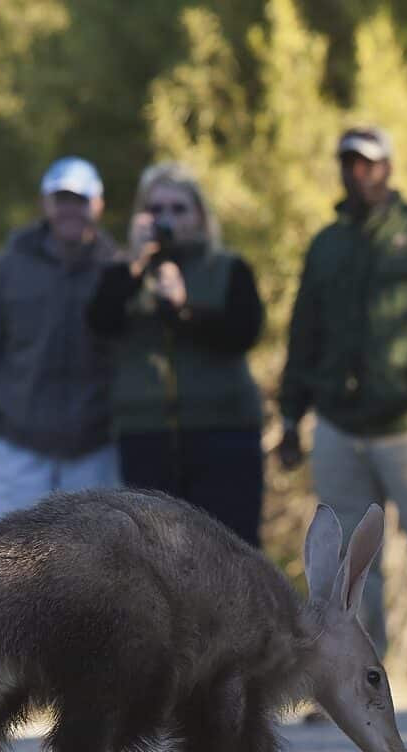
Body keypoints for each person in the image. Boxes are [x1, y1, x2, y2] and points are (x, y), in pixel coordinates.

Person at [276, 125, 407, 715]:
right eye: (349, 163)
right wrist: (291, 416)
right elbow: (303, 334)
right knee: (342, 566)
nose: (359, 173)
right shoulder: (327, 245)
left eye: (369, 163)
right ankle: (343, 683)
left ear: (388, 168)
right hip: (341, 423)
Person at [86, 163, 265, 545]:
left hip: (223, 431)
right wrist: (134, 263)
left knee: (230, 557)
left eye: (178, 209)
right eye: (156, 209)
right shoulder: (123, 273)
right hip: (146, 433)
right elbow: (100, 322)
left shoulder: (229, 268)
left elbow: (244, 333)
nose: (166, 218)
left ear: (199, 215)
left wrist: (184, 309)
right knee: (155, 563)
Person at [0, 156, 120, 526]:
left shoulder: (117, 269)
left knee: (93, 571)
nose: (70, 209)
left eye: (79, 200)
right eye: (61, 199)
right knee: (6, 571)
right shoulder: (6, 268)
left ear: (97, 205)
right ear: (45, 203)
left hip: (95, 449)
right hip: (18, 448)